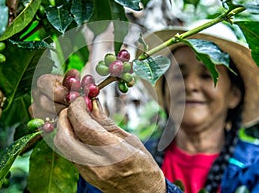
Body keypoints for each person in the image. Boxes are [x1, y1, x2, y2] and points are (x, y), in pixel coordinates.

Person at [30, 24, 259, 193]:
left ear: (234, 95)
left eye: (207, 75)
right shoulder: (124, 156)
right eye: (180, 75)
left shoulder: (254, 168)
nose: (189, 85)